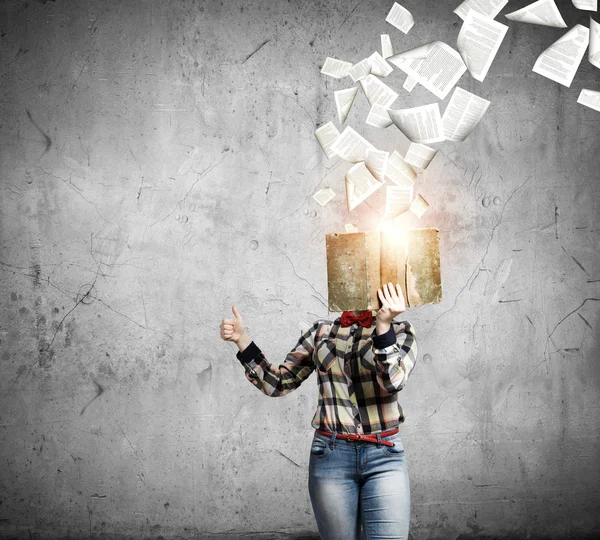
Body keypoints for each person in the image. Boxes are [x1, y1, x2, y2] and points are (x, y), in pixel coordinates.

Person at [220, 282, 418, 540]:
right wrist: (242, 340)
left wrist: (383, 327)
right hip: (331, 456)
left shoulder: (402, 332)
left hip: (385, 455)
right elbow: (278, 384)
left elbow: (393, 382)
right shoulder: (321, 332)